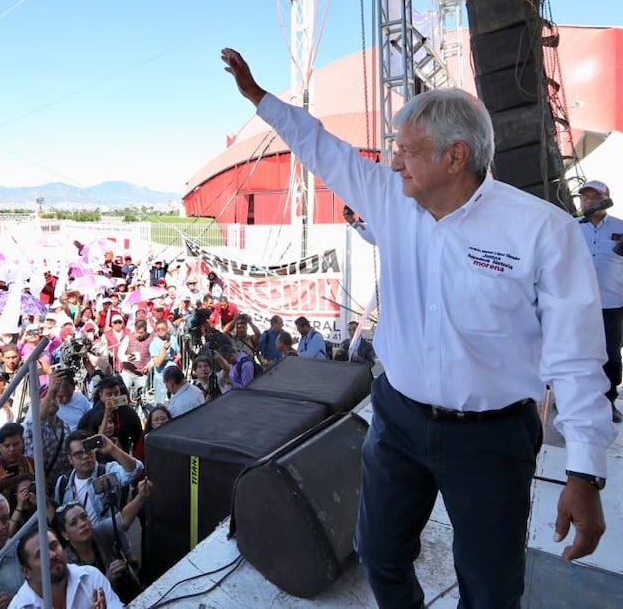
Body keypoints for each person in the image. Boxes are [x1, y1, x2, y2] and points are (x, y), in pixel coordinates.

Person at [222, 47, 614, 607]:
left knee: (490, 587)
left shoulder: (542, 232)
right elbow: (320, 149)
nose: (395, 162)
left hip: (491, 439)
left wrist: (584, 472)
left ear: (456, 157)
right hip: (398, 422)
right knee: (378, 553)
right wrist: (260, 99)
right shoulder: (389, 199)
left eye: (406, 151)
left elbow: (576, 359)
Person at [577, 180, 623, 423]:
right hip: (577, 305)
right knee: (577, 354)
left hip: (612, 304)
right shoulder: (571, 227)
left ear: (607, 198)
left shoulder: (621, 228)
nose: (589, 201)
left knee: (611, 356)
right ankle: (573, 400)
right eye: (585, 197)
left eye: (595, 196)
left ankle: (608, 401)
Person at [9, 526, 121, 609]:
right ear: (26, 571)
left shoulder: (91, 576)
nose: (52, 555)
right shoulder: (19, 607)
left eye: (54, 545)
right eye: (41, 554)